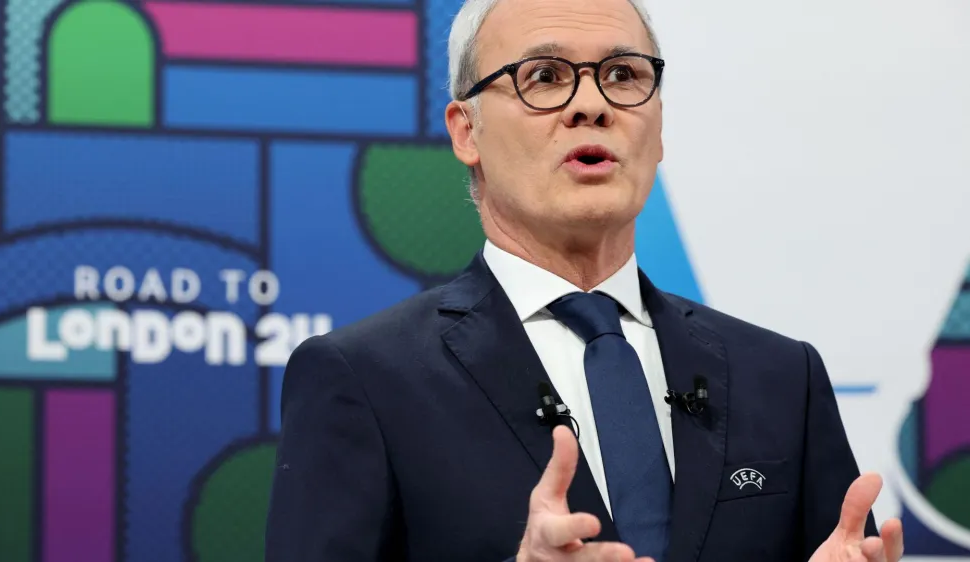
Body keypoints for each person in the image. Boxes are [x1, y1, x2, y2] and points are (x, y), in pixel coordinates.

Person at [265, 0, 906, 559]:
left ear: (659, 130)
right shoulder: (365, 380)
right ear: (467, 131)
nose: (592, 106)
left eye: (623, 75)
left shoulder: (781, 377)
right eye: (544, 77)